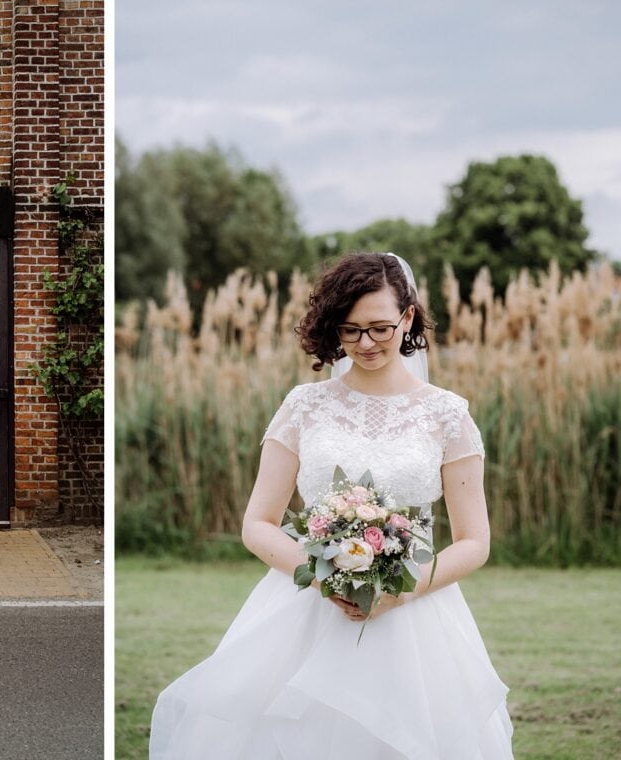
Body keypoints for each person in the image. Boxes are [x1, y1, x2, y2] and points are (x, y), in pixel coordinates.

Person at [149, 253, 514, 759]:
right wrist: (325, 578)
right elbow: (258, 523)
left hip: (414, 618)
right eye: (351, 329)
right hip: (305, 607)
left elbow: (475, 541)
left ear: (408, 319)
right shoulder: (304, 405)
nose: (366, 343)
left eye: (380, 328)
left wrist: (400, 593)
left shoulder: (447, 415)